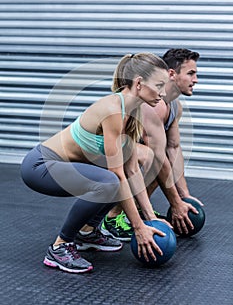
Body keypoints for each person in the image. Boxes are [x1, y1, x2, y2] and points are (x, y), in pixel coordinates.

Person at [21, 52, 171, 274]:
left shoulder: (133, 111)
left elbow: (131, 170)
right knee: (110, 180)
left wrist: (148, 218)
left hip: (63, 168)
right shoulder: (113, 110)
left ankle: (87, 232)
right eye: (159, 85)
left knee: (116, 178)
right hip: (40, 166)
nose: (163, 93)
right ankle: (60, 246)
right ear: (139, 83)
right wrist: (138, 227)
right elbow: (118, 176)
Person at [101, 48, 204, 239]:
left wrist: (184, 196)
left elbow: (173, 149)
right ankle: (113, 217)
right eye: (191, 73)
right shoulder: (153, 106)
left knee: (160, 164)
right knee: (153, 160)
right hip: (105, 155)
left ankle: (138, 210)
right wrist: (175, 203)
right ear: (172, 74)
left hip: (129, 158)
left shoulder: (174, 107)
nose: (196, 79)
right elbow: (157, 157)